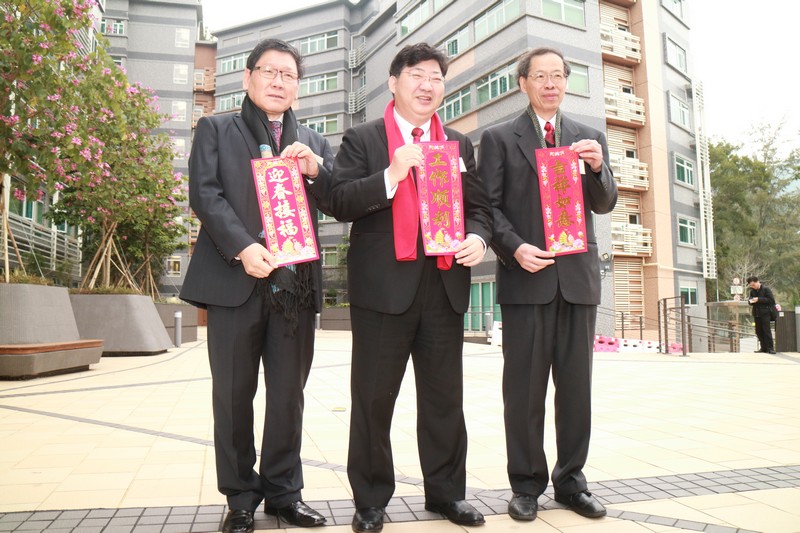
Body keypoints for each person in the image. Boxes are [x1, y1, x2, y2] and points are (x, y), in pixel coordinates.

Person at [327, 43, 493, 533]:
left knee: (444, 400)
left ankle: (446, 495)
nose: (427, 85)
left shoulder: (458, 144)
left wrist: (479, 238)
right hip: (383, 293)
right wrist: (391, 174)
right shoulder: (364, 139)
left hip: (444, 287)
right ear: (394, 82)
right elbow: (338, 200)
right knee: (374, 400)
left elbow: (480, 207)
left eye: (436, 77)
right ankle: (371, 501)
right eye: (417, 75)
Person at [180, 39, 333, 533]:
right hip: (234, 282)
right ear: (247, 78)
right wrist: (243, 246)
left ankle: (285, 494)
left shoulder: (312, 141)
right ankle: (240, 498)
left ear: (297, 87)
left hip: (294, 288)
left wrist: (318, 172)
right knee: (232, 394)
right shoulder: (216, 129)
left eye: (289, 74)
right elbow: (205, 194)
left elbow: (334, 199)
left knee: (289, 395)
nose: (278, 81)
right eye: (269, 71)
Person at [477, 47, 618, 521]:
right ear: (524, 83)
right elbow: (488, 207)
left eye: (558, 75)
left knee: (576, 389)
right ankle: (526, 484)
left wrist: (598, 168)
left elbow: (604, 203)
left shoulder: (588, 137)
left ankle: (571, 482)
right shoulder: (499, 138)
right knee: (524, 390)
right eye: (541, 76)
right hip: (526, 280)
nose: (551, 83)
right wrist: (514, 247)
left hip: (576, 282)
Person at [746, 276, 776, 354]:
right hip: (756, 313)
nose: (752, 287)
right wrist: (751, 301)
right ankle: (763, 347)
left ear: (757, 282)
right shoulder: (752, 291)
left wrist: (759, 299)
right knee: (758, 331)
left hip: (766, 313)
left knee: (766, 330)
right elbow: (750, 300)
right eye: (751, 285)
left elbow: (771, 300)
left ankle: (770, 348)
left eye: (753, 285)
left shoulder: (766, 289)